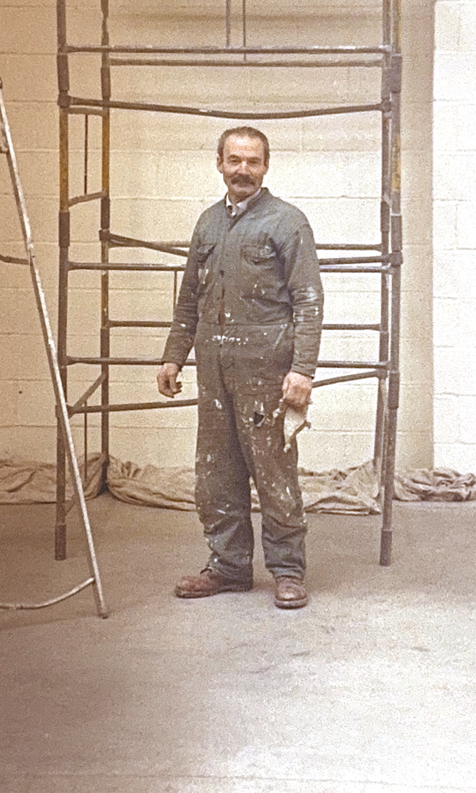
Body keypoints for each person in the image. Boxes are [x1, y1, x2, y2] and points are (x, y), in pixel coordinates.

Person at [157, 126, 323, 609]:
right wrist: (174, 355)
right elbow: (189, 298)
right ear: (220, 164)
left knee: (273, 473)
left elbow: (308, 301)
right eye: (234, 161)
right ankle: (228, 567)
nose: (242, 170)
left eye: (252, 162)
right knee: (216, 473)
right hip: (214, 372)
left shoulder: (288, 223)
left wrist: (303, 370)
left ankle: (288, 570)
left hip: (267, 373)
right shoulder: (208, 223)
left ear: (266, 167)